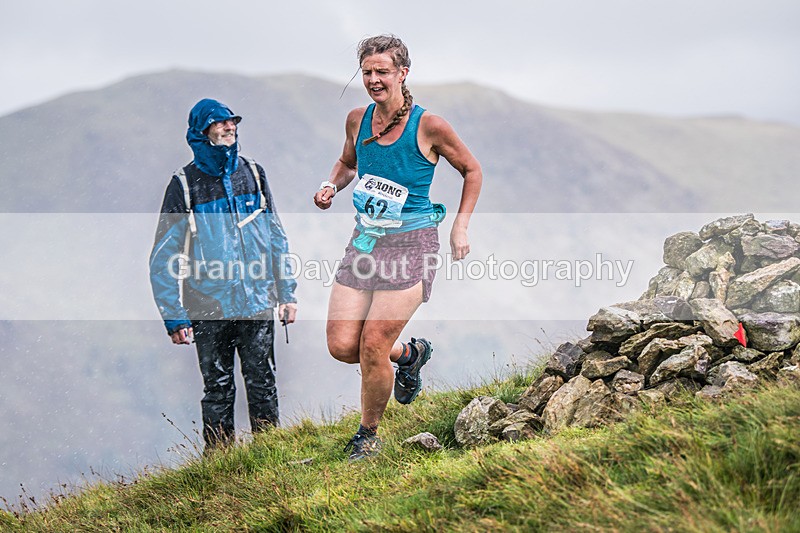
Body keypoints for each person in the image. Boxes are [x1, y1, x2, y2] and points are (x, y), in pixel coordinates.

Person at [313, 35, 482, 460]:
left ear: (402, 74)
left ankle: (367, 437)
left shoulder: (430, 126)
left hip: (413, 244)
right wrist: (332, 183)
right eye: (367, 72)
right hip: (366, 241)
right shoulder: (357, 119)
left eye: (382, 72)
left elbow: (472, 170)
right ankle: (410, 356)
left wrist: (460, 227)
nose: (373, 80)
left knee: (371, 345)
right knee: (341, 345)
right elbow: (349, 162)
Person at [149, 98, 297, 450]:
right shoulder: (184, 184)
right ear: (202, 132)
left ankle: (269, 455)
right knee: (218, 388)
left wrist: (287, 292)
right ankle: (219, 463)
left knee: (263, 381)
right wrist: (174, 316)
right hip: (207, 304)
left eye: (233, 122)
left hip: (257, 299)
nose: (230, 127)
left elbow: (276, 235)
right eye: (221, 123)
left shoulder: (254, 174)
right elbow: (164, 255)